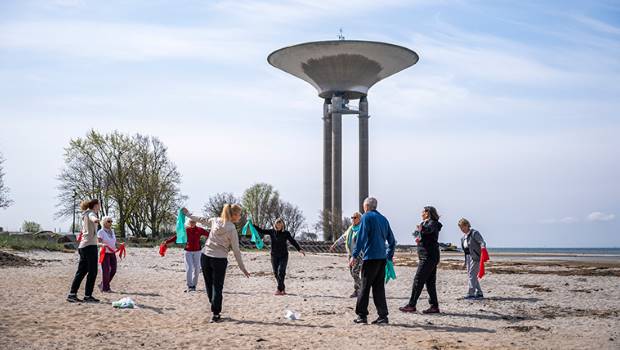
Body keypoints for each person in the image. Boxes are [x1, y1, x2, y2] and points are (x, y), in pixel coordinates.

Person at [183, 204, 250, 323]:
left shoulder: (215, 220)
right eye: (239, 214)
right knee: (217, 287)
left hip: (205, 256)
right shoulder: (232, 228)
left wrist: (188, 214)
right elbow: (236, 250)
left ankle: (214, 308)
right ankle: (216, 313)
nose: (240, 217)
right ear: (233, 215)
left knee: (209, 285)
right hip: (219, 259)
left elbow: (200, 219)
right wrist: (242, 268)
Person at [350, 197, 396, 325]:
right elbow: (392, 241)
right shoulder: (384, 219)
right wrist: (389, 256)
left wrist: (354, 255)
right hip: (382, 259)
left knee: (364, 287)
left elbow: (361, 237)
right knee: (379, 288)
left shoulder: (366, 217)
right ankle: (383, 316)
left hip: (370, 257)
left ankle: (362, 315)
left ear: (366, 206)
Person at [399, 206, 442, 314]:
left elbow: (429, 230)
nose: (421, 213)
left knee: (418, 280)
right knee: (430, 282)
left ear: (428, 213)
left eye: (423, 212)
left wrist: (421, 229)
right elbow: (424, 234)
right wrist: (419, 235)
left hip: (429, 256)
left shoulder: (433, 223)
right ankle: (434, 306)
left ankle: (411, 305)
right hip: (426, 256)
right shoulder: (425, 223)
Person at [252, 217, 305, 295]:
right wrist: (254, 225)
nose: (278, 225)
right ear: (275, 224)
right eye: (277, 223)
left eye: (280, 224)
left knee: (281, 272)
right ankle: (282, 289)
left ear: (283, 225)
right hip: (274, 255)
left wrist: (299, 249)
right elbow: (261, 231)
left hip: (284, 255)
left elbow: (292, 241)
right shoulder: (271, 231)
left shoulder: (286, 233)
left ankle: (278, 289)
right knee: (275, 273)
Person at [161, 217, 210, 292]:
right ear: (189, 223)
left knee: (197, 269)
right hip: (188, 251)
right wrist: (166, 242)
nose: (192, 223)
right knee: (189, 268)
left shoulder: (200, 230)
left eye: (194, 222)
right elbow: (176, 237)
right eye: (191, 222)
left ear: (196, 222)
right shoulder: (186, 230)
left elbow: (210, 235)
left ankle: (194, 285)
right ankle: (190, 286)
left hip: (197, 251)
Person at [67, 199, 101, 303]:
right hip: (89, 247)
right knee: (92, 272)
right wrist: (96, 220)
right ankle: (87, 296)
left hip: (84, 246)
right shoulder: (90, 213)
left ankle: (72, 294)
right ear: (95, 205)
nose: (99, 206)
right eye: (99, 204)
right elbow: (93, 218)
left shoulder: (85, 214)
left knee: (81, 272)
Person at [330, 211, 363, 298]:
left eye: (355, 218)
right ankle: (359, 289)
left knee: (355, 272)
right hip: (350, 254)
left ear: (359, 219)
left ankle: (359, 290)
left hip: (359, 255)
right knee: (352, 273)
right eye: (352, 217)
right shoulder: (350, 228)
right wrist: (335, 245)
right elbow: (343, 237)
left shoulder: (362, 229)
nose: (352, 219)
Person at [458, 218, 487, 299]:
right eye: (460, 227)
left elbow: (482, 242)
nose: (462, 229)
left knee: (472, 275)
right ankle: (479, 292)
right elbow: (465, 250)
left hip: (475, 257)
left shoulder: (474, 233)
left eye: (463, 226)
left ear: (467, 225)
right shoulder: (463, 238)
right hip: (468, 257)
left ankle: (471, 293)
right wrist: (464, 262)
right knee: (471, 275)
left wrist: (483, 247)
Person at [97, 216, 118, 293]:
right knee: (106, 270)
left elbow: (114, 242)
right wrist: (102, 245)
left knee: (113, 270)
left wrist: (120, 244)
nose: (110, 223)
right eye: (109, 221)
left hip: (112, 252)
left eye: (111, 221)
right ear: (104, 222)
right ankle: (106, 288)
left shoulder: (112, 231)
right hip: (104, 253)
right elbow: (98, 243)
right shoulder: (100, 232)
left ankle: (103, 284)